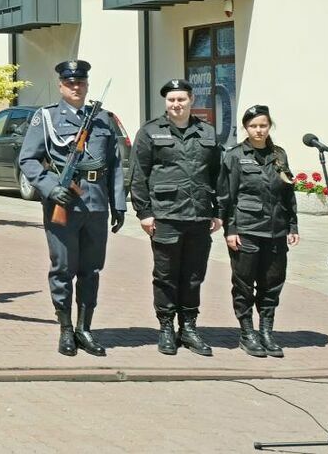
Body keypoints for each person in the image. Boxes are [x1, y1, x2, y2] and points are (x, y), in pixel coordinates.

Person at [18, 60, 125, 357]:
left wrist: (118, 204)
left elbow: (115, 164)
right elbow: (28, 159)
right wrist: (51, 187)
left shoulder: (104, 119)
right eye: (70, 82)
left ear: (87, 85)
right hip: (63, 204)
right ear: (61, 85)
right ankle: (65, 329)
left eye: (81, 82)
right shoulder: (47, 118)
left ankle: (84, 328)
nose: (76, 87)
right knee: (63, 268)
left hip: (97, 205)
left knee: (91, 270)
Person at [129, 79, 222, 356]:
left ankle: (190, 328)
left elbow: (218, 175)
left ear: (191, 99)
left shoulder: (207, 131)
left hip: (199, 215)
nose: (176, 104)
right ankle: (167, 327)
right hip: (166, 214)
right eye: (171, 100)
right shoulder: (149, 132)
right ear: (166, 103)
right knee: (166, 275)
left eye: (181, 99)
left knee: (194, 275)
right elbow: (138, 174)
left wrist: (218, 212)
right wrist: (144, 213)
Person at [219, 104, 298, 358]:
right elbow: (226, 196)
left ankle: (266, 331)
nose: (258, 130)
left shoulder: (279, 155)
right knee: (243, 284)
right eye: (253, 126)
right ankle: (247, 333)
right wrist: (230, 229)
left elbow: (288, 193)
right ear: (246, 128)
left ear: (269, 126)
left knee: (272, 283)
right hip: (246, 230)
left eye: (263, 125)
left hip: (276, 231)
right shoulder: (234, 155)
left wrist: (292, 225)